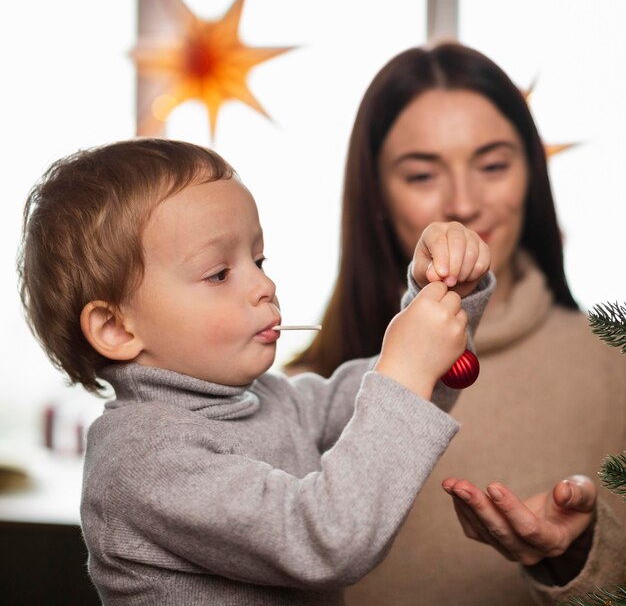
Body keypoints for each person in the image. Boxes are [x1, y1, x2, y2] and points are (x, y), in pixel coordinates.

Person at [17, 137, 494, 605]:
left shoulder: (270, 398)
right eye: (219, 274)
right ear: (116, 327)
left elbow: (405, 396)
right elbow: (328, 541)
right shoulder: (140, 460)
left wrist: (444, 296)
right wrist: (407, 366)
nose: (265, 285)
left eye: (259, 259)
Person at [286, 43, 626, 605]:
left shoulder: (614, 369)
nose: (464, 202)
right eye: (422, 174)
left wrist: (576, 555)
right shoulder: (307, 396)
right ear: (375, 196)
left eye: (493, 165)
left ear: (532, 179)